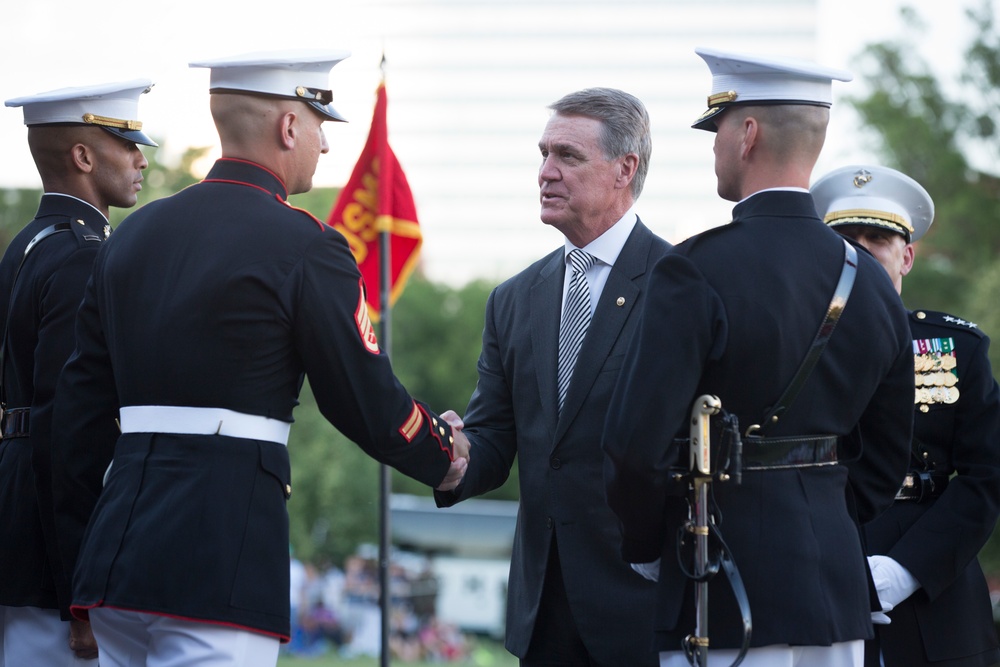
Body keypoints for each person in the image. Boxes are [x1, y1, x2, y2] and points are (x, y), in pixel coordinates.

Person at [48, 49, 469, 667]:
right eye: (321, 126)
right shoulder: (308, 245)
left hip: (115, 566)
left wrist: (77, 583)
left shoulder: (129, 238)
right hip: (220, 559)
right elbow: (363, 396)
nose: (324, 148)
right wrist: (443, 454)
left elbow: (77, 423)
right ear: (289, 126)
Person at [602, 48, 915, 667]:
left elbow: (634, 446)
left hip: (722, 589)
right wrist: (823, 514)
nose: (713, 145)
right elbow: (885, 457)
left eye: (716, 127)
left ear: (746, 134)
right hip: (834, 596)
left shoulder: (691, 269)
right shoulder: (873, 282)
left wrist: (647, 543)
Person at [435, 87, 667, 666]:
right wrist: (452, 456)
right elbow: (494, 439)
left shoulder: (680, 286)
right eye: (543, 154)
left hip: (645, 606)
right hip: (542, 613)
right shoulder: (513, 299)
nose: (545, 172)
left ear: (624, 169)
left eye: (567, 156)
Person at [812, 164, 1000, 667]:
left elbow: (989, 474)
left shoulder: (954, 349)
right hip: (818, 563)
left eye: (879, 237)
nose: (862, 248)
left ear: (908, 256)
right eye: (846, 237)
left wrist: (906, 569)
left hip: (931, 578)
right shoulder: (790, 349)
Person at [0, 79, 157, 665]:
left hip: (22, 524)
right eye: (128, 142)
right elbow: (69, 429)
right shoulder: (83, 254)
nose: (142, 157)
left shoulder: (29, 242)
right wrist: (79, 598)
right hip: (49, 555)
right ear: (84, 156)